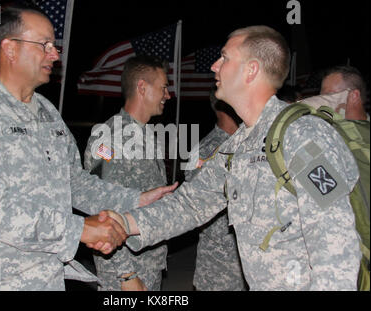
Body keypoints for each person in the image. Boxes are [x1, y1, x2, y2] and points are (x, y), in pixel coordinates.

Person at [0, 4, 175, 291]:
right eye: (44, 45)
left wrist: (134, 200)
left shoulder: (47, 114)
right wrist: (79, 229)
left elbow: (74, 182)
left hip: (44, 278)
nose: (55, 54)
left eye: (54, 46)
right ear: (10, 49)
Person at [103, 25, 362, 290]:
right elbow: (190, 204)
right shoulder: (237, 145)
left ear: (251, 70)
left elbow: (335, 242)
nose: (214, 66)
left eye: (224, 58)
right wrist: (123, 223)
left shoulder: (302, 135)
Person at [84, 55, 171, 291]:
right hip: (126, 273)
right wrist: (126, 275)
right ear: (142, 87)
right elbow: (102, 210)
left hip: (148, 265)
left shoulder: (145, 135)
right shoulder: (111, 137)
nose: (168, 95)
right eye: (163, 88)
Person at [185, 90, 246, 291]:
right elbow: (194, 203)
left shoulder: (246, 143)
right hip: (219, 263)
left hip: (248, 258)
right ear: (225, 107)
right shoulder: (204, 150)